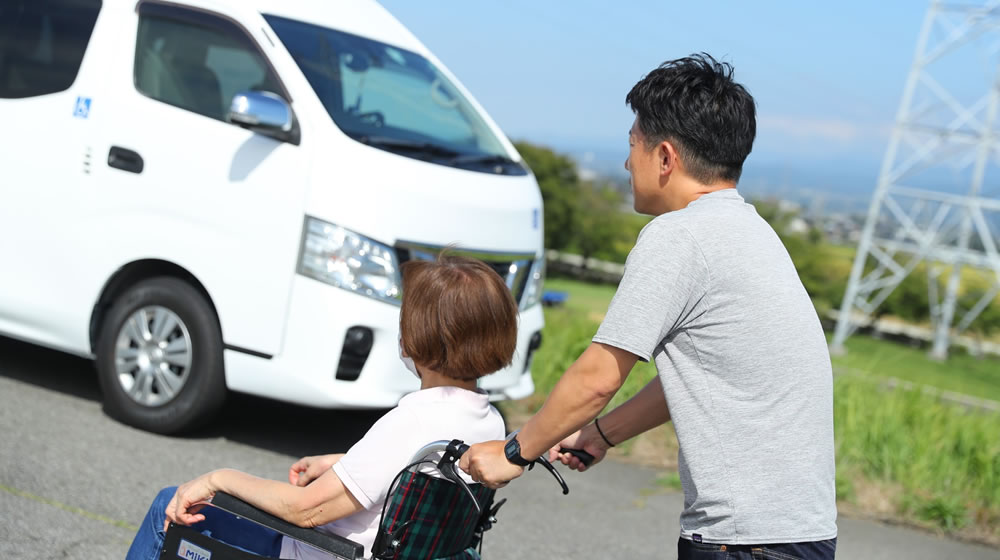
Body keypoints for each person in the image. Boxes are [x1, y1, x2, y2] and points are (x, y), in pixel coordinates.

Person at [460, 53, 838, 560]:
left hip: (742, 542)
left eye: (632, 145)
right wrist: (601, 434)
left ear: (664, 157)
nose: (625, 163)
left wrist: (514, 453)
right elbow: (702, 376)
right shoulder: (751, 232)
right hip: (800, 534)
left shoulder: (679, 237)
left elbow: (598, 376)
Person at [126, 254, 513, 559]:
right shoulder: (490, 424)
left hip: (320, 553)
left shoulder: (409, 422)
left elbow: (304, 511)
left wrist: (216, 478)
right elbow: (419, 471)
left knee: (169, 505)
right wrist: (344, 463)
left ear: (418, 336)